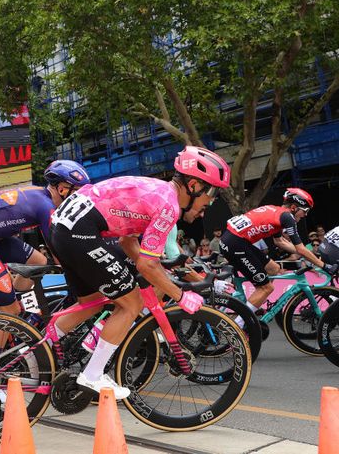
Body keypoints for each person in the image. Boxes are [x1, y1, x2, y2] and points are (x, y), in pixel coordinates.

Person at [49, 146, 229, 399]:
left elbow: (128, 243)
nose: (210, 200)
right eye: (210, 192)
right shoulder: (169, 206)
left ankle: (39, 356)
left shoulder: (156, 190)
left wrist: (156, 267)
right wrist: (179, 295)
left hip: (64, 228)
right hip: (80, 231)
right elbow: (147, 266)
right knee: (131, 303)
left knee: (89, 305)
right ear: (193, 184)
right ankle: (92, 376)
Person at [0, 160, 90, 321]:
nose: (79, 198)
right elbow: (58, 252)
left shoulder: (40, 194)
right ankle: (5, 320)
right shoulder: (46, 207)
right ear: (61, 189)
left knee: (39, 261)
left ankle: (13, 300)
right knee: (10, 311)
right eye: (76, 192)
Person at [219, 187, 335, 328]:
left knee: (274, 268)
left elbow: (279, 241)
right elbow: (299, 248)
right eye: (305, 211)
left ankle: (255, 303)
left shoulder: (277, 211)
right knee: (266, 288)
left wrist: (312, 256)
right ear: (293, 207)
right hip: (236, 244)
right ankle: (236, 326)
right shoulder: (287, 217)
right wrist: (323, 265)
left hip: (236, 241)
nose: (305, 215)